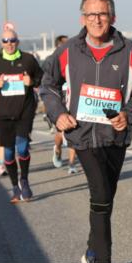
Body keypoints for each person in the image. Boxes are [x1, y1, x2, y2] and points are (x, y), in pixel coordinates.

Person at [40, 0, 132, 263]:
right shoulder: (67, 51)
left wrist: (130, 114)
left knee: (104, 200)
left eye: (102, 14)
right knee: (100, 196)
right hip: (82, 135)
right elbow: (47, 85)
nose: (97, 20)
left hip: (116, 136)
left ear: (113, 17)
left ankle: (92, 251)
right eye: (90, 15)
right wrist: (58, 114)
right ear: (81, 18)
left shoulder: (130, 51)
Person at [0, 26, 44, 203]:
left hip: (25, 110)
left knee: (22, 147)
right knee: (8, 153)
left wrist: (32, 81)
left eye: (12, 40)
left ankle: (24, 180)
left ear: (18, 42)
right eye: (5, 41)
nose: (9, 44)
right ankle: (15, 186)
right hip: (4, 113)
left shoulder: (28, 59)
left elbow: (42, 78)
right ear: (1, 43)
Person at [45, 34, 81, 175]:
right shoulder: (51, 60)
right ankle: (58, 149)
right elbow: (46, 83)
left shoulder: (76, 58)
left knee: (75, 130)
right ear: (58, 46)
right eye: (65, 44)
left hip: (74, 99)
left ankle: (72, 164)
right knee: (61, 132)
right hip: (60, 100)